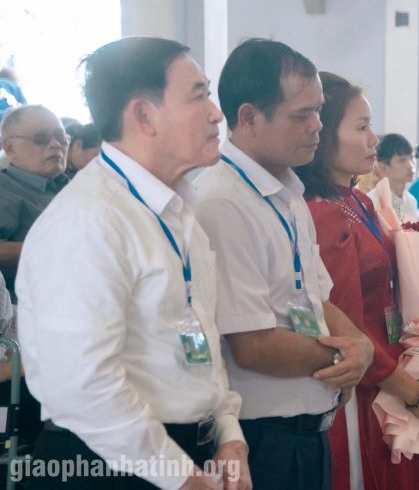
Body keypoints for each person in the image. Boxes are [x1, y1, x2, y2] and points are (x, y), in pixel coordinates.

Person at [16, 37, 251, 489]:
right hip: (106, 466)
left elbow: (200, 339)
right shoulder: (88, 221)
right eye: (198, 96)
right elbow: (82, 388)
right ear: (143, 115)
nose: (216, 114)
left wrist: (228, 434)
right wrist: (180, 475)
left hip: (179, 455)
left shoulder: (177, 209)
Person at [195, 39, 374, 489]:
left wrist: (361, 345)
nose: (318, 126)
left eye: (319, 111)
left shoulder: (290, 193)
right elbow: (253, 345)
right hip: (261, 439)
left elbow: (318, 300)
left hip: (308, 432)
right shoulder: (222, 201)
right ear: (249, 117)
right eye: (301, 115)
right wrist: (344, 355)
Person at [297, 72, 419, 490]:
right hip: (367, 388)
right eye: (361, 127)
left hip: (389, 374)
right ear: (324, 136)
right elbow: (348, 330)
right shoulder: (323, 214)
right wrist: (411, 392)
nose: (373, 139)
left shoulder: (358, 201)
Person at [0, 105, 70, 300]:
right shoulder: (4, 189)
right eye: (41, 138)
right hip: (27, 306)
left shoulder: (71, 183)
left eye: (61, 137)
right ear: (10, 148)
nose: (55, 144)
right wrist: (58, 248)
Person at [369, 133, 417, 221]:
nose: (410, 165)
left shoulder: (411, 201)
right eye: (402, 160)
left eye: (412, 158)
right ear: (383, 167)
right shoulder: (372, 203)